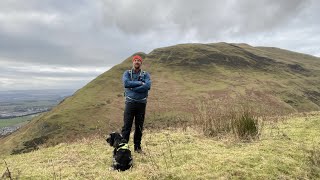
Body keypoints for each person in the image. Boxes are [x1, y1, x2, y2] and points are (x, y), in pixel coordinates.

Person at [121, 55, 151, 153]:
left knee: (139, 127)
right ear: (133, 62)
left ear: (141, 63)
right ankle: (124, 148)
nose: (137, 62)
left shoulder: (146, 74)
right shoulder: (127, 73)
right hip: (130, 103)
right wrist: (140, 83)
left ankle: (137, 148)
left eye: (139, 61)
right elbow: (126, 83)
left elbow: (147, 86)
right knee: (127, 127)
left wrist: (132, 87)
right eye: (135, 60)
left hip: (141, 104)